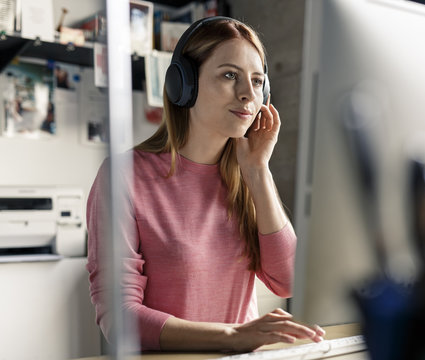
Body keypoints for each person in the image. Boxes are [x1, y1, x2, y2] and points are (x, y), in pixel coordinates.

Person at [86, 16, 325, 352]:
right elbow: (119, 319)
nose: (247, 95)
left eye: (257, 82)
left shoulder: (248, 175)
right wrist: (231, 336)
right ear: (184, 85)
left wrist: (258, 171)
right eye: (230, 75)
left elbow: (289, 280)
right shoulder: (124, 176)